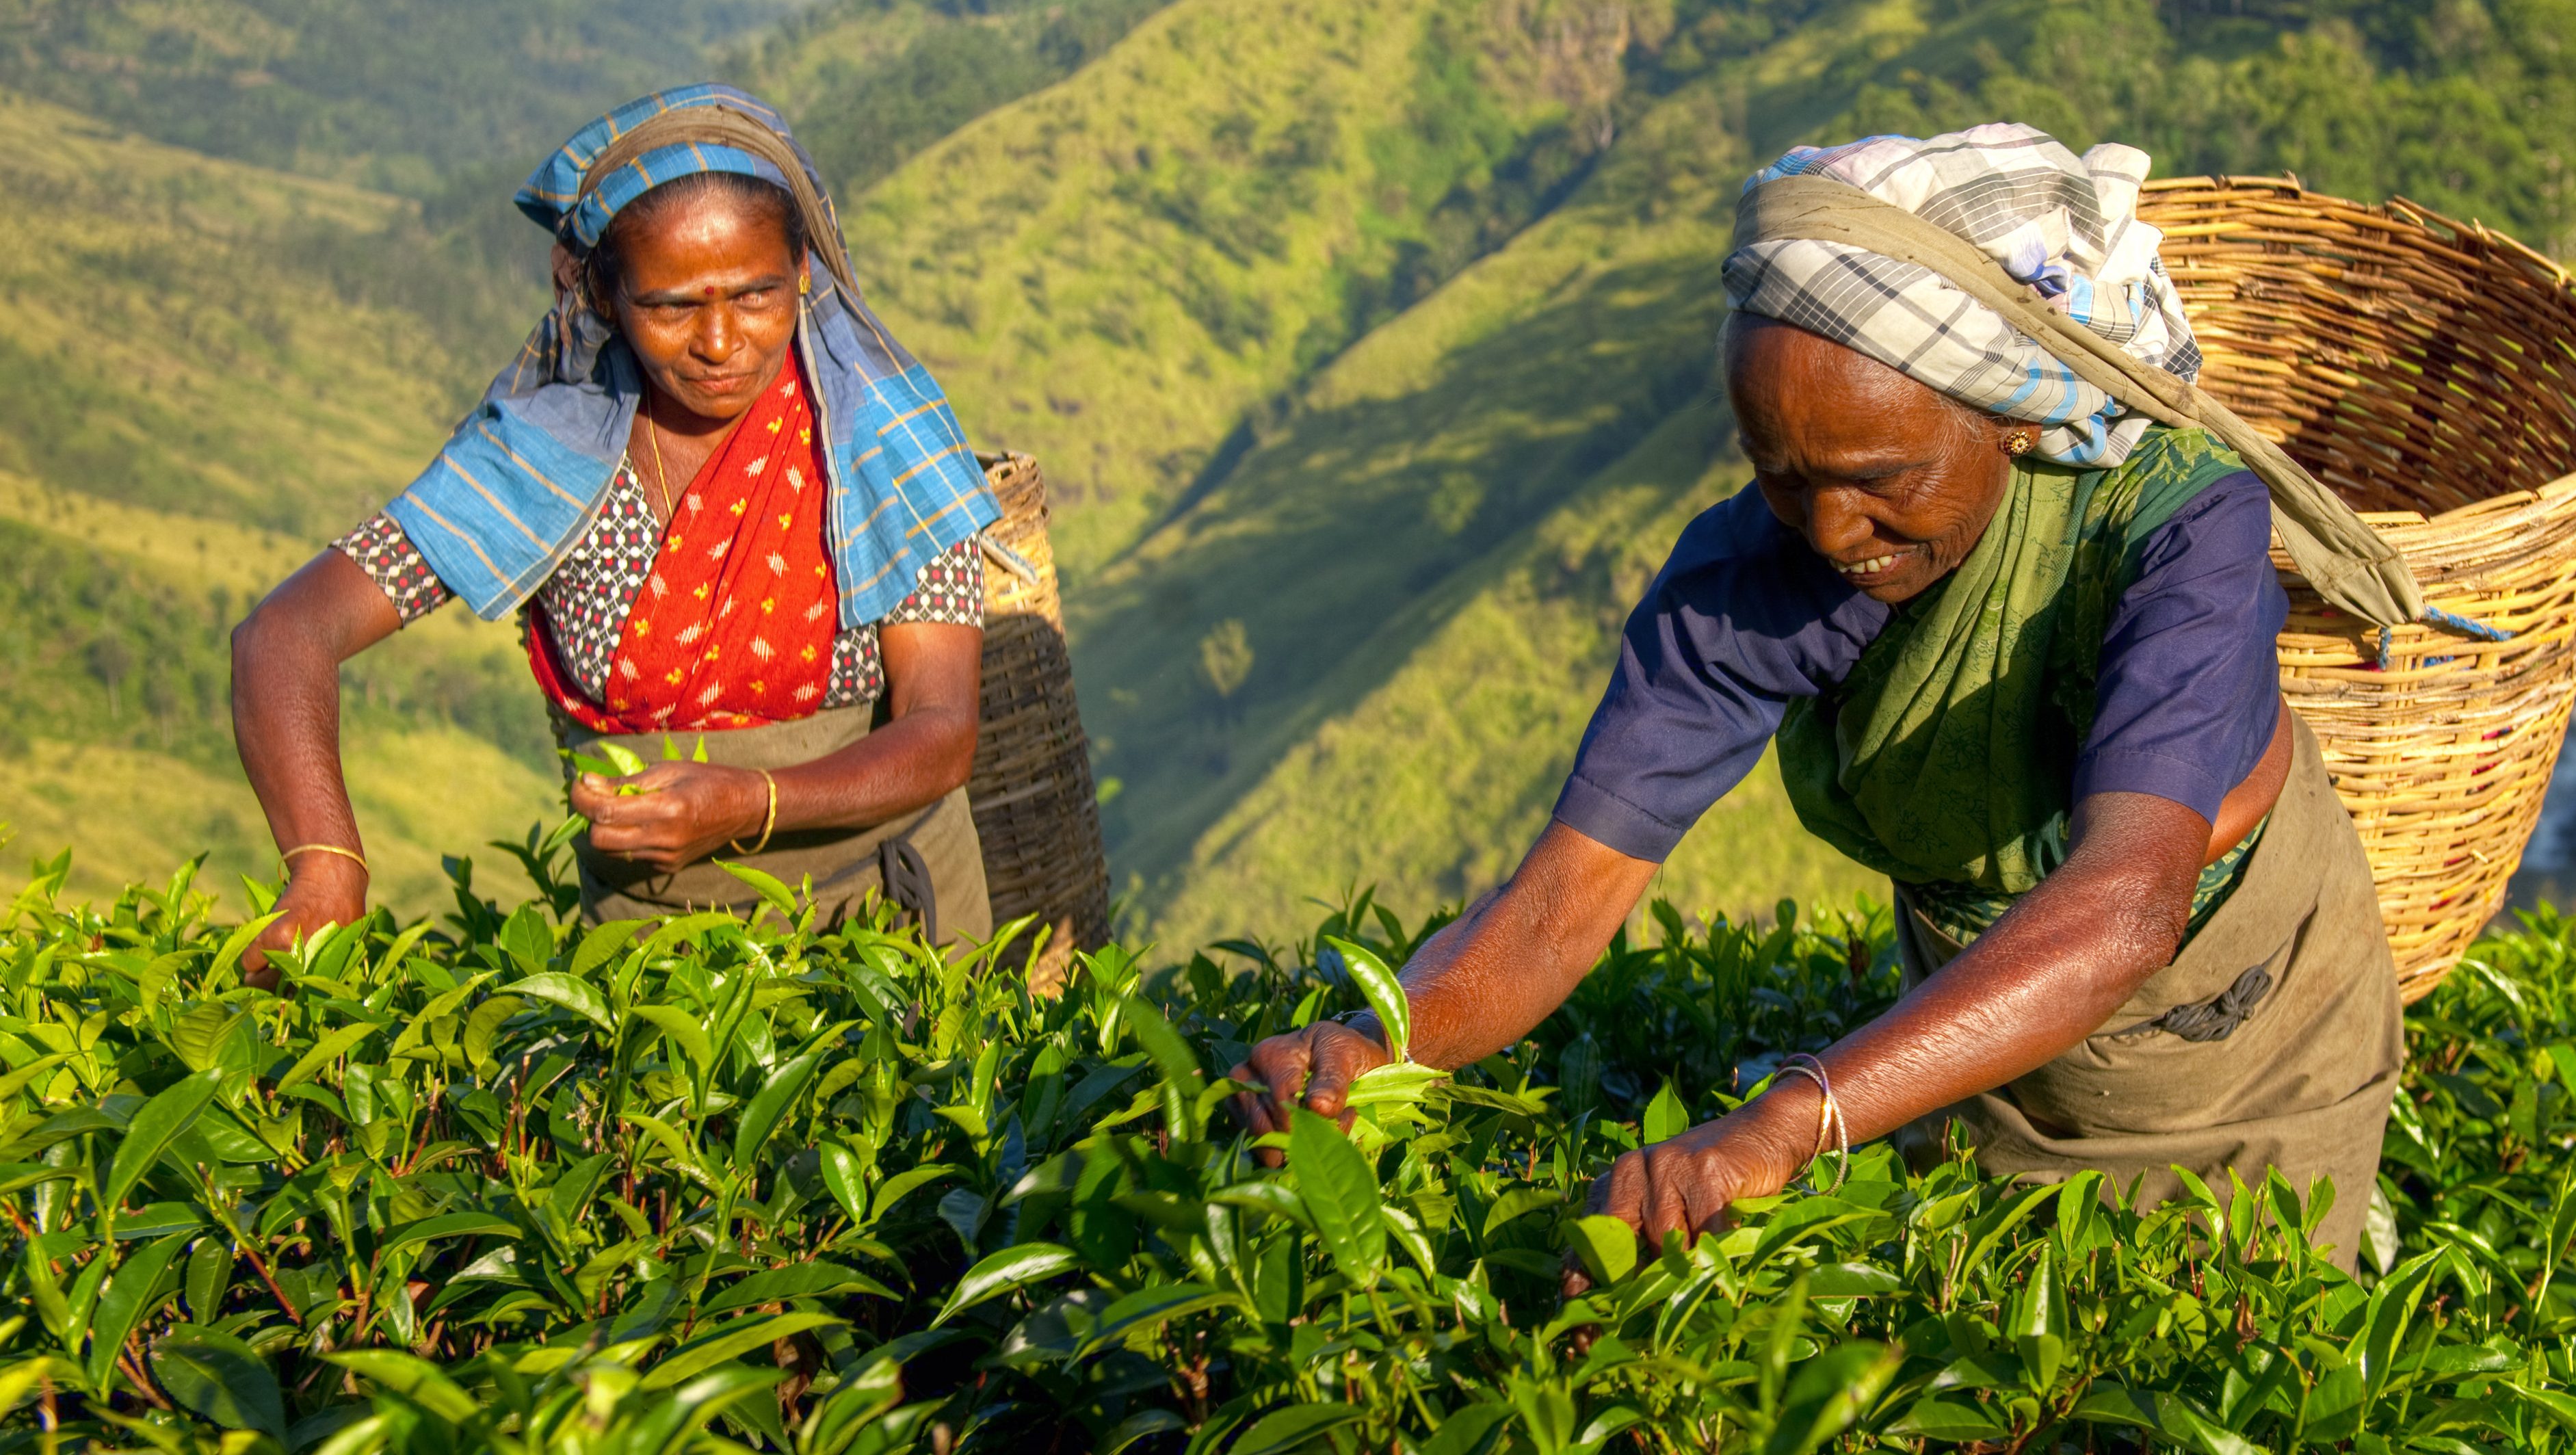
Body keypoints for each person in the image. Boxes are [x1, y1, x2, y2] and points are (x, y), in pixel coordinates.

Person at [1233, 126, 2405, 1270]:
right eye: (1779, 474)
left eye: (1878, 479)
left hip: (2246, 1021)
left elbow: (2122, 905)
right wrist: (1378, 1041)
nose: (1833, 530)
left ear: (2004, 408)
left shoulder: (2176, 529)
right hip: (1982, 1016)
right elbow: (1557, 904)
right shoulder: (1750, 574)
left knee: (2246, 1325)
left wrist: (1787, 1117)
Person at [231, 84, 1013, 962]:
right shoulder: (548, 457)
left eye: (755, 295)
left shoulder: (880, 438)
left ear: (802, 270)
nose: (720, 342)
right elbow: (285, 633)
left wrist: (749, 801)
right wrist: (326, 866)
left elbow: (941, 733)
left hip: (893, 927)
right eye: (672, 306)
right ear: (602, 295)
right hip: (651, 960)